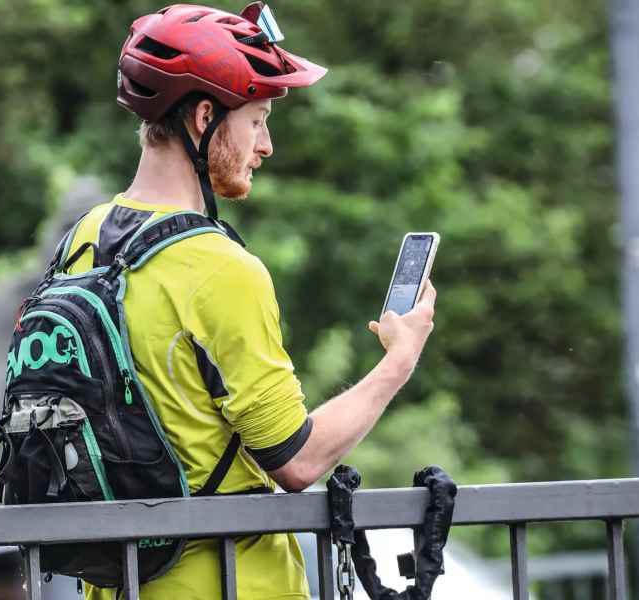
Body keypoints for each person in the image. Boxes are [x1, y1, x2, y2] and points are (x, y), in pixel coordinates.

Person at [68, 4, 437, 599]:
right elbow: (297, 461)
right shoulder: (220, 269)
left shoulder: (83, 240)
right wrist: (400, 359)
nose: (265, 145)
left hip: (117, 582)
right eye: (258, 120)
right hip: (228, 582)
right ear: (205, 116)